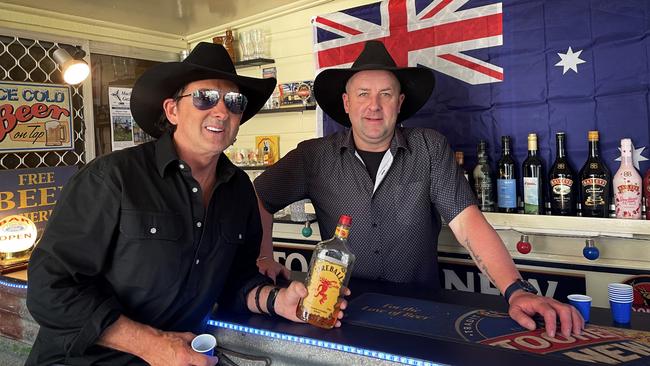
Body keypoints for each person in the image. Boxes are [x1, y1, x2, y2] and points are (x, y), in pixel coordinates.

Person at [25, 43, 347, 366]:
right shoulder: (112, 178)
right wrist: (152, 345)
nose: (221, 111)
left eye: (234, 102)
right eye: (205, 97)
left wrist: (278, 301)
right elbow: (49, 287)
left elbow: (236, 281)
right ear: (172, 111)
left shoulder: (239, 192)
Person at [254, 40, 583, 338]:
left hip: (421, 313)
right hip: (339, 312)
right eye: (363, 94)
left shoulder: (429, 148)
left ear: (399, 102)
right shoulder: (313, 156)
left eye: (385, 94)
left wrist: (516, 290)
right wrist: (264, 254)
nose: (374, 106)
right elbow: (259, 196)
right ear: (346, 103)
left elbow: (467, 223)